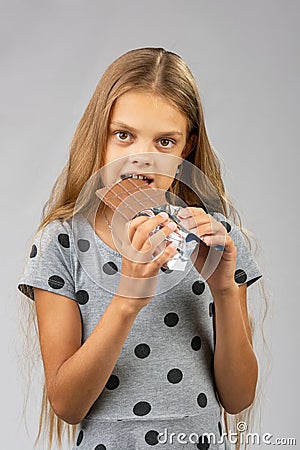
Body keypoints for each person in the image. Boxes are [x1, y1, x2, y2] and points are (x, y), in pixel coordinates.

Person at [17, 47, 264, 450]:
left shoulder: (217, 240)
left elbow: (239, 398)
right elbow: (67, 404)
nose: (141, 157)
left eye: (165, 141)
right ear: (98, 135)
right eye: (123, 135)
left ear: (187, 148)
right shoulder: (61, 243)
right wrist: (127, 299)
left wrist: (224, 290)